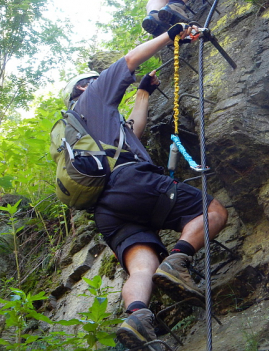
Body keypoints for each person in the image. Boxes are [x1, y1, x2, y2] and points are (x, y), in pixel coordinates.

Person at [61, 26, 229, 350]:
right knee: (214, 211)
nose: (98, 81)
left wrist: (143, 94)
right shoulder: (92, 97)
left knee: (140, 267)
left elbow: (133, 132)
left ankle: (137, 316)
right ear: (84, 85)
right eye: (93, 79)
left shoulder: (80, 133)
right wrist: (172, 33)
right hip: (132, 182)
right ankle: (178, 260)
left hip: (107, 212)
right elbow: (129, 59)